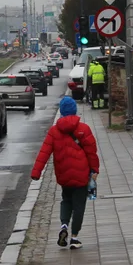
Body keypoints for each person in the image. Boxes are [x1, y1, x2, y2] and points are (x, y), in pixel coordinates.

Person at [31, 96, 100, 250]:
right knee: (79, 205)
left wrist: (36, 172)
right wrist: (95, 170)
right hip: (81, 175)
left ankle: (63, 226)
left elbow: (44, 152)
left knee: (66, 200)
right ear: (75, 110)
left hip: (63, 175)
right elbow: (91, 153)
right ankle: (74, 238)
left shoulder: (54, 131)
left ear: (61, 112)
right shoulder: (83, 129)